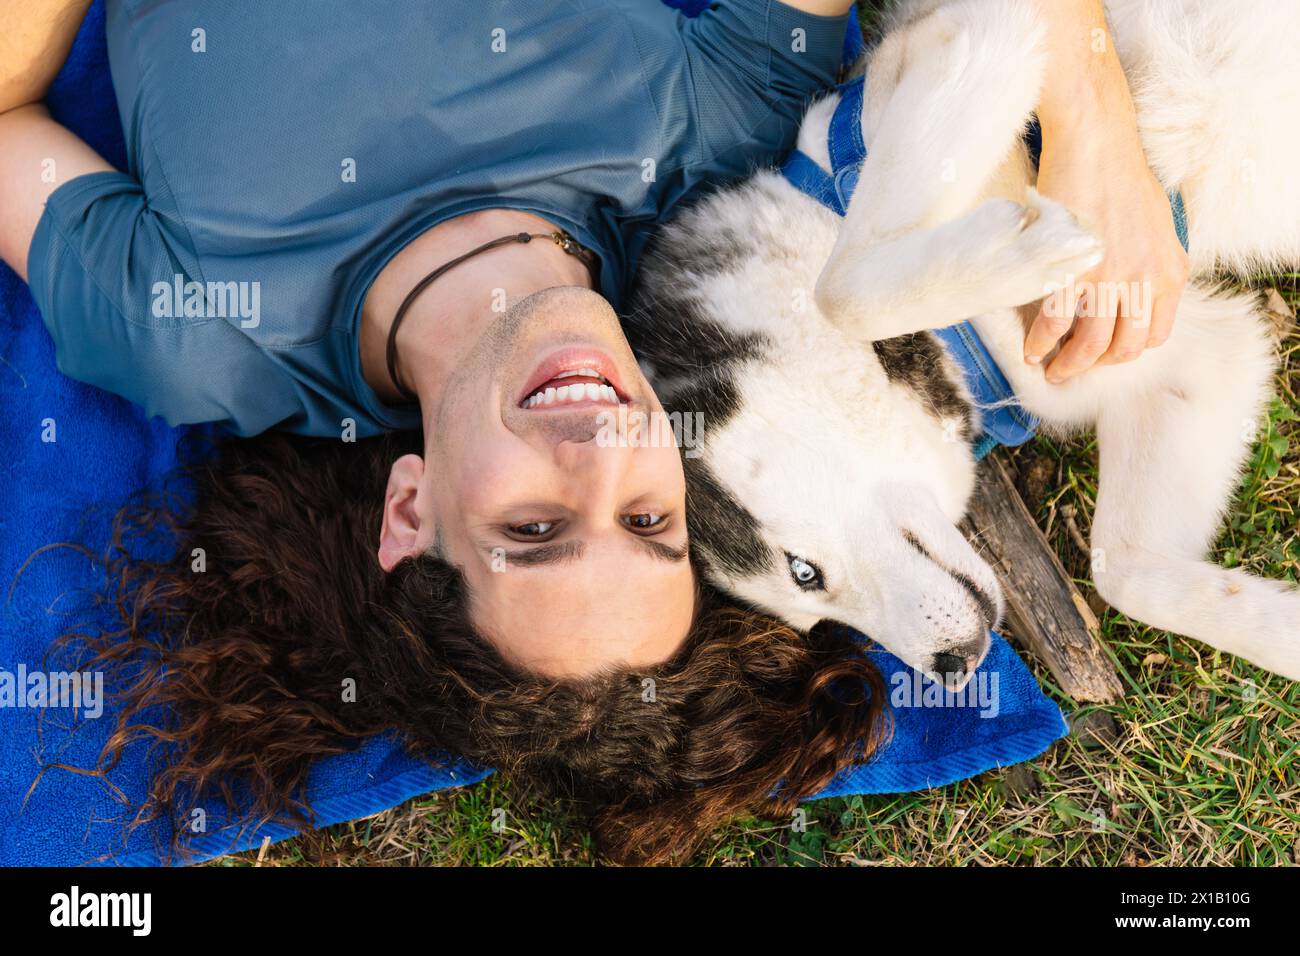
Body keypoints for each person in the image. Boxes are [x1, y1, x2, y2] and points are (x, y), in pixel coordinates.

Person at [0, 0, 1187, 861]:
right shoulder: (714, 140)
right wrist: (1092, 130)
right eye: (648, 517)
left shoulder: (191, 328)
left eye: (533, 524)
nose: (601, 446)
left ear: (409, 510)